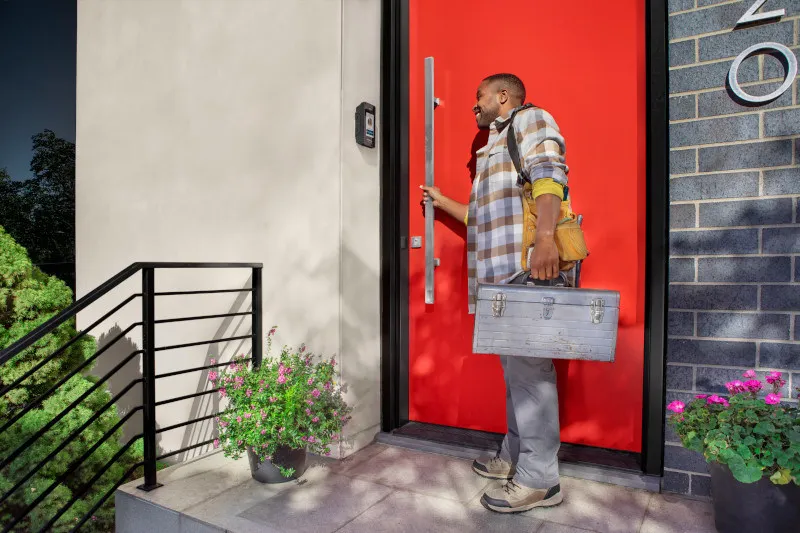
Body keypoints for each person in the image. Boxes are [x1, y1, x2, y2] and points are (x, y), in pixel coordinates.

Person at [421, 73, 568, 514]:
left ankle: (541, 480)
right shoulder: (493, 149)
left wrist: (545, 240)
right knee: (515, 376)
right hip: (499, 278)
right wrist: (442, 201)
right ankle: (515, 457)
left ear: (503, 96)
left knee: (531, 376)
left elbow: (550, 177)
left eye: (478, 97)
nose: (473, 106)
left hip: (524, 270)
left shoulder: (530, 120)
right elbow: (482, 217)